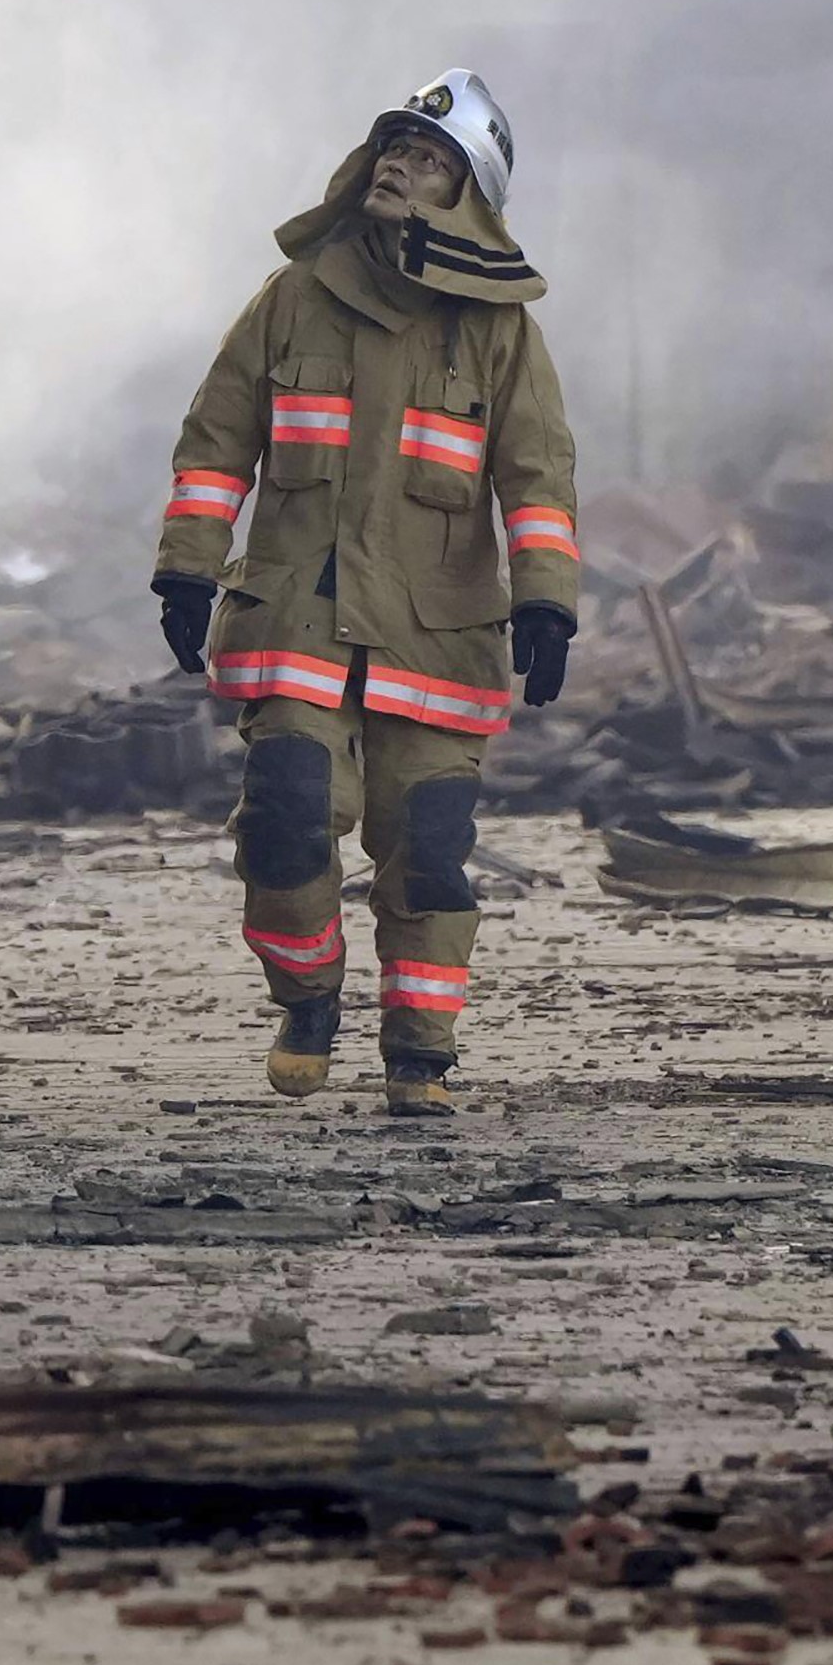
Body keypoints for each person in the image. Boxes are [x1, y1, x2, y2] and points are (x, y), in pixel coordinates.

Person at [151, 72, 580, 1116]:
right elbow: (216, 446)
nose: (395, 162)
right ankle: (306, 996)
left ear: (465, 193)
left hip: (436, 639)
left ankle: (418, 1052)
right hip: (298, 616)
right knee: (288, 819)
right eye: (390, 144)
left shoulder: (500, 333)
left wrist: (547, 598)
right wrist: (186, 565)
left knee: (427, 851)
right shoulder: (295, 295)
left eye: (425, 156)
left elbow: (537, 475)